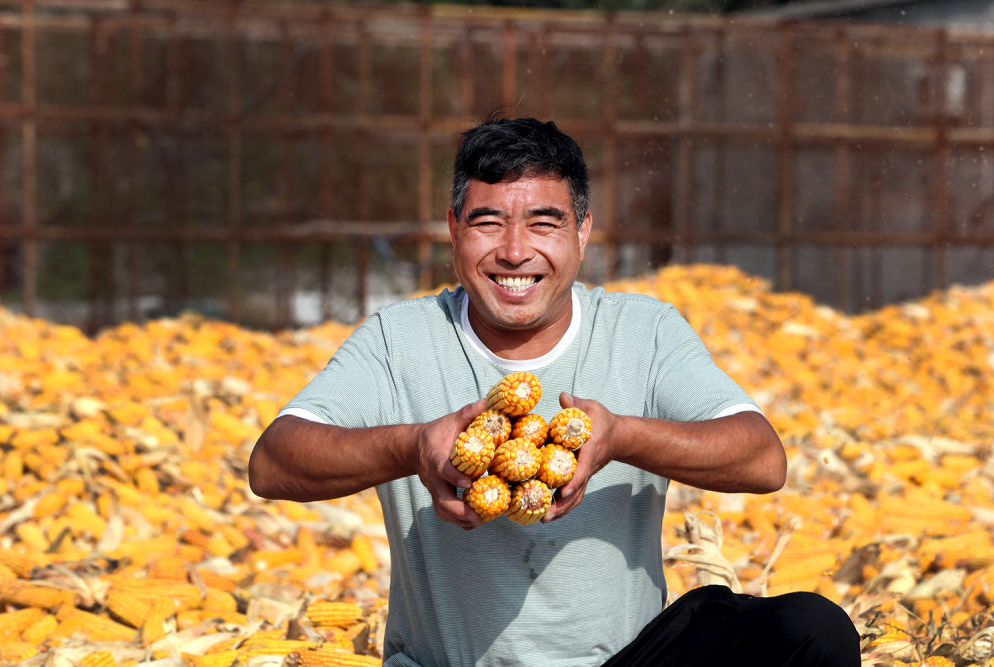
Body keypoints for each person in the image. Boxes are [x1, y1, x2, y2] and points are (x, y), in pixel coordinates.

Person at [248, 117, 861, 666]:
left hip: (626, 662)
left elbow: (762, 459)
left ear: (582, 231)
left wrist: (620, 436)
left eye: (545, 223)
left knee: (811, 630)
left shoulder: (643, 331)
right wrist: (411, 447)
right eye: (488, 222)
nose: (516, 252)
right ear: (454, 230)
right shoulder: (398, 337)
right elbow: (273, 463)